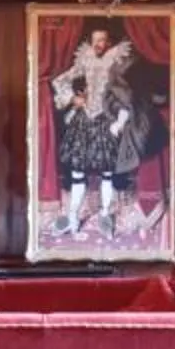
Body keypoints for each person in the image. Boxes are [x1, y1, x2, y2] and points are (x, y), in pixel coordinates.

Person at [49, 22, 147, 238]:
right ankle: (73, 217)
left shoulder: (118, 65)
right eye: (95, 41)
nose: (98, 45)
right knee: (77, 172)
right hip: (84, 122)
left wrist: (119, 122)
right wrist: (72, 98)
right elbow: (60, 80)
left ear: (109, 42)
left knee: (107, 173)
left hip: (106, 122)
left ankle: (105, 214)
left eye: (102, 40)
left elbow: (126, 99)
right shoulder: (86, 62)